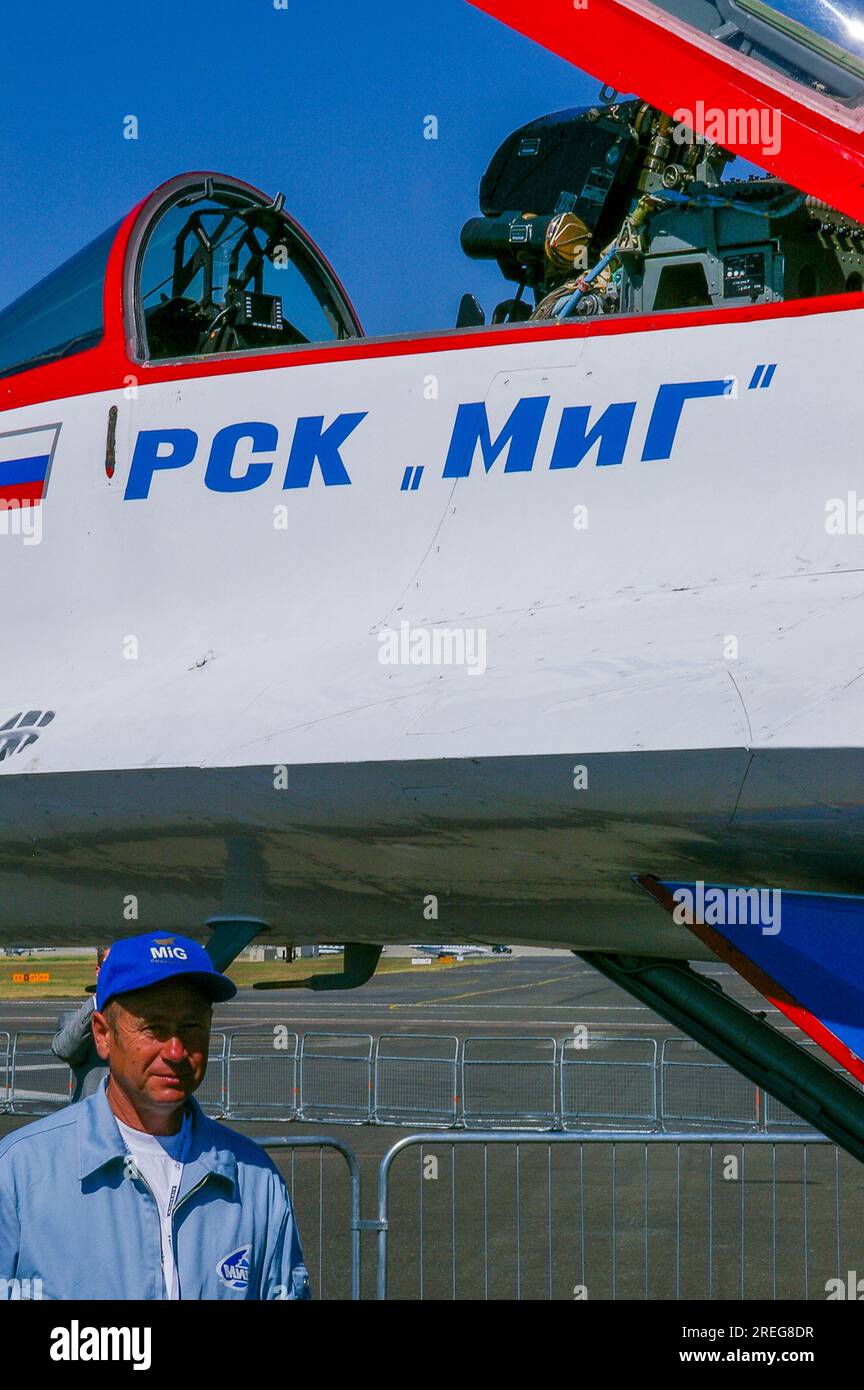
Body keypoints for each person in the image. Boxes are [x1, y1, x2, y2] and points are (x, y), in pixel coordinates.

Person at [0, 932, 311, 1300]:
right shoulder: (20, 1174)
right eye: (154, 1029)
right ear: (102, 1035)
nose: (176, 1051)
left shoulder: (256, 1180)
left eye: (191, 1028)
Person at [51, 945, 110, 1101]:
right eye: (111, 964)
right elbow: (64, 1050)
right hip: (91, 1113)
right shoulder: (75, 1019)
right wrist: (98, 1000)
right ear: (98, 971)